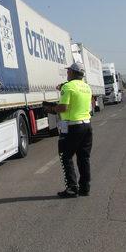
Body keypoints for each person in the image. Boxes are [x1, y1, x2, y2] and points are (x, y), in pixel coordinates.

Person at [45, 62, 93, 198]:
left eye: (68, 71)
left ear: (72, 73)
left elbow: (63, 108)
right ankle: (85, 188)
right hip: (87, 125)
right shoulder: (87, 87)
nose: (67, 73)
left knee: (65, 156)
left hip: (73, 127)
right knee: (84, 157)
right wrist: (62, 87)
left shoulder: (68, 86)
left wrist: (52, 109)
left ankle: (72, 188)